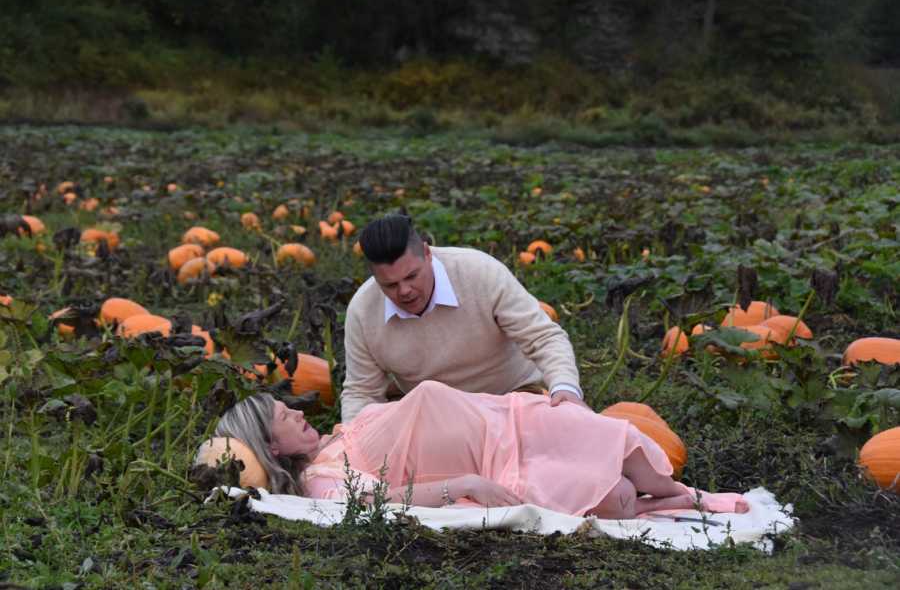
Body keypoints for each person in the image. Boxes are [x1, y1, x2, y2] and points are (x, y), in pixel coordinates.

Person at [212, 381, 748, 518]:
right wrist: (463, 486)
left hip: (509, 419)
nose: (299, 410)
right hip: (491, 463)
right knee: (619, 499)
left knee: (630, 449)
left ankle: (687, 493)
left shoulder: (341, 433)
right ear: (273, 448)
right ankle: (680, 503)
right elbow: (387, 500)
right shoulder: (323, 480)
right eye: (286, 417)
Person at [341, 214, 587, 422]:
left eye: (412, 276)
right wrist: (353, 441)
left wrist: (565, 387)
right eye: (390, 285)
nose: (404, 290)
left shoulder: (480, 273)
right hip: (432, 415)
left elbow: (543, 337)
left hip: (511, 397)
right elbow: (362, 391)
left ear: (427, 253)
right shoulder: (363, 311)